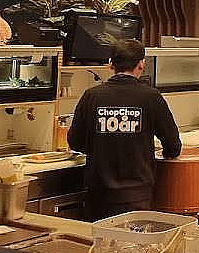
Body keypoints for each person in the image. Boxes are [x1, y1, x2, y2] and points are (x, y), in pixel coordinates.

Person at [68, 39, 182, 220]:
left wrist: (101, 145)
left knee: (99, 238)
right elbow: (173, 146)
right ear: (141, 64)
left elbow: (75, 142)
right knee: (133, 238)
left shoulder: (91, 96)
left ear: (111, 65)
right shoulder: (151, 97)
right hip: (137, 195)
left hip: (98, 195)